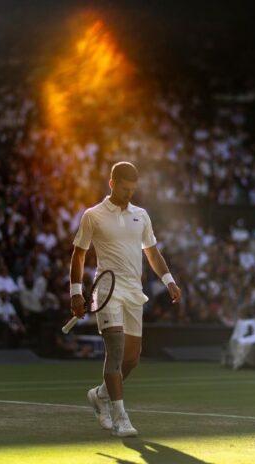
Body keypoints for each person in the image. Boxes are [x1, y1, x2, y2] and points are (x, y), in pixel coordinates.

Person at [69, 161, 182, 437]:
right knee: (116, 351)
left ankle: (100, 395)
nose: (128, 194)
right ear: (112, 184)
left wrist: (169, 281)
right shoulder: (92, 216)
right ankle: (121, 418)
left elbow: (152, 253)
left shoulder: (141, 215)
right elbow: (79, 254)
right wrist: (75, 293)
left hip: (134, 291)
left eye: (132, 189)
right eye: (123, 188)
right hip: (107, 290)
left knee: (132, 359)